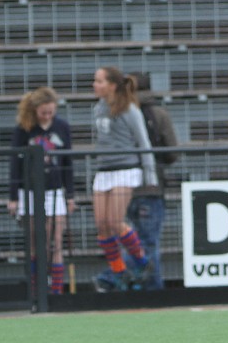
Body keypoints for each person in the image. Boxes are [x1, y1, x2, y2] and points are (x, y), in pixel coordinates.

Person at [90, 66, 158, 292]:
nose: (95, 85)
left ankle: (141, 260)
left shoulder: (129, 109)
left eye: (99, 81)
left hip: (125, 169)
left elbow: (143, 142)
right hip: (104, 169)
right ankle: (118, 271)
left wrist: (150, 174)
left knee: (114, 221)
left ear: (112, 85)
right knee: (102, 225)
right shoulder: (98, 108)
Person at [8, 87, 76, 297]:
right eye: (43, 112)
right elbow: (15, 163)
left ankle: (56, 290)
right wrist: (13, 196)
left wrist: (70, 194)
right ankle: (36, 290)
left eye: (50, 112)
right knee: (36, 242)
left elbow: (68, 162)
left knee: (56, 241)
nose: (47, 116)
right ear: (34, 110)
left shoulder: (62, 127)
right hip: (29, 190)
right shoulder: (24, 128)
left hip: (54, 190)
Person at [126, 73, 178, 290]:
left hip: (124, 187)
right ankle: (152, 288)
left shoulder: (120, 114)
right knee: (149, 241)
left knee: (130, 240)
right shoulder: (159, 114)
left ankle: (130, 284)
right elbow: (172, 152)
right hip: (151, 186)